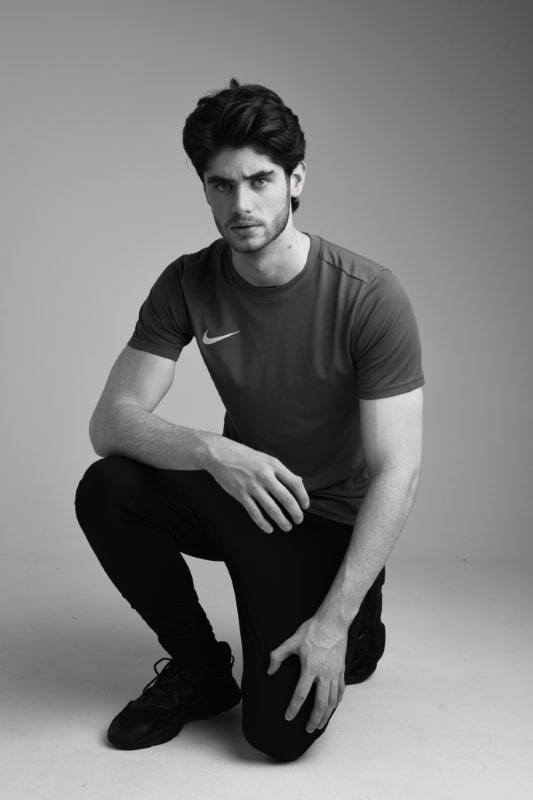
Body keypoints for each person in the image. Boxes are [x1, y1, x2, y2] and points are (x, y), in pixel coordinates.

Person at [75, 79, 424, 763]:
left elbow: (397, 471)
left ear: (296, 180)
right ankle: (200, 669)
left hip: (328, 519)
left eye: (260, 181)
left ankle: (354, 611)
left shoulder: (368, 296)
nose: (241, 204)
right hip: (248, 497)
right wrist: (214, 450)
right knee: (108, 488)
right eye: (221, 185)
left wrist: (330, 622)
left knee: (276, 738)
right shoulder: (187, 282)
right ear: (205, 190)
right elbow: (109, 423)